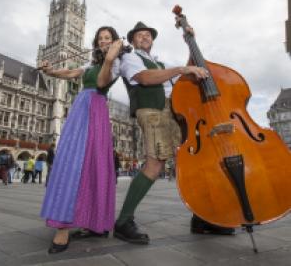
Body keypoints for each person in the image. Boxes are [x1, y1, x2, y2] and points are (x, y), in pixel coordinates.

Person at [98, 21, 234, 245]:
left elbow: (187, 76)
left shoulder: (160, 62)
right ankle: (123, 221)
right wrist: (182, 69)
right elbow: (143, 78)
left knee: (194, 162)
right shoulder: (130, 57)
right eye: (140, 35)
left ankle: (202, 218)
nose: (145, 37)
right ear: (132, 40)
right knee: (155, 163)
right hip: (152, 111)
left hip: (175, 111)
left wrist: (191, 43)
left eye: (148, 35)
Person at [40, 26, 123, 254]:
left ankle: (90, 222)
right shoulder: (92, 63)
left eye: (108, 38)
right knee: (71, 162)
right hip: (80, 108)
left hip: (95, 109)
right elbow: (72, 73)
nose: (104, 41)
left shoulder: (116, 63)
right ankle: (69, 224)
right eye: (100, 38)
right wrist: (51, 71)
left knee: (89, 164)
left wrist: (110, 57)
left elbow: (101, 83)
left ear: (115, 41)